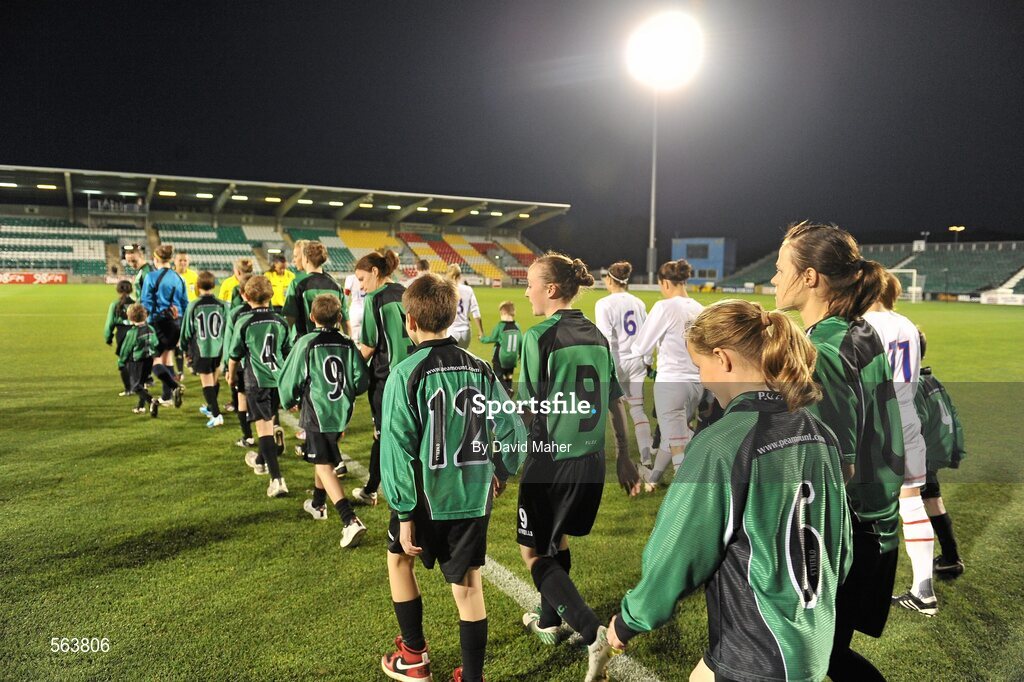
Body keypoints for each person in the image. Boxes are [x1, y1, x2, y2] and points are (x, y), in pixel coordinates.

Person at [603, 299, 851, 682]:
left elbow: (679, 553)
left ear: (723, 358)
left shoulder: (723, 442)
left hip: (757, 652)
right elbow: (842, 548)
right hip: (814, 640)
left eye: (700, 366)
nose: (702, 379)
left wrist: (629, 620)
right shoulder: (821, 433)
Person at [771, 221, 904, 682]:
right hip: (876, 520)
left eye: (781, 268)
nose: (773, 279)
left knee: (814, 655)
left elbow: (836, 467)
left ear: (810, 278)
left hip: (851, 532)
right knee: (824, 654)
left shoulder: (821, 349)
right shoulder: (857, 330)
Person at [379, 273, 528, 682]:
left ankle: (414, 656)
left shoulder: (405, 372)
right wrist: (500, 469)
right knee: (468, 585)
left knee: (398, 562)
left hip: (425, 498)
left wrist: (404, 510)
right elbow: (513, 429)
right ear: (454, 314)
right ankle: (473, 677)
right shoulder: (480, 368)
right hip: (472, 496)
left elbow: (397, 448)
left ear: (410, 322)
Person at [515, 252, 635, 682]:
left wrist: (505, 457)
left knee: (531, 552)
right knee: (556, 539)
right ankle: (550, 621)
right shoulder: (597, 336)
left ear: (551, 289)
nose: (525, 290)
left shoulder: (540, 337)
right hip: (590, 460)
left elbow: (528, 411)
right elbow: (615, 401)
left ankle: (591, 632)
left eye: (530, 283)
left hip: (552, 461)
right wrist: (623, 454)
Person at [864, 272, 936, 615]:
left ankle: (854, 588)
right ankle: (924, 591)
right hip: (907, 416)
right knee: (912, 505)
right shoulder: (908, 324)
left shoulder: (862, 324)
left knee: (859, 508)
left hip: (877, 421)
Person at [278, 294, 370, 548]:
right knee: (323, 457)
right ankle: (319, 504)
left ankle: (349, 520)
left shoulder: (307, 341)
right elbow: (361, 379)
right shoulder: (348, 343)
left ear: (311, 317)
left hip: (317, 410)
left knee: (322, 463)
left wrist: (288, 400)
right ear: (340, 318)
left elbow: (291, 376)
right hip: (341, 411)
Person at [627, 258, 704, 484]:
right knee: (672, 436)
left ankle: (684, 493)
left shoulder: (665, 307)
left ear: (665, 283)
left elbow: (642, 345)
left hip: (671, 382)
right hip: (697, 384)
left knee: (677, 440)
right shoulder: (701, 309)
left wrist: (644, 359)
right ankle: (653, 480)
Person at [351, 249, 414, 507]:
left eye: (362, 279)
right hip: (414, 373)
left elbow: (367, 348)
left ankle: (374, 490)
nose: (362, 286)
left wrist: (350, 372)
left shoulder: (375, 299)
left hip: (387, 379)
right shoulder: (407, 293)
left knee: (383, 435)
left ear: (375, 272)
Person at [227, 275, 291, 497]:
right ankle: (261, 459)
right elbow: (287, 351)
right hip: (279, 379)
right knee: (270, 419)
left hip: (257, 379)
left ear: (245, 296)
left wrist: (231, 376)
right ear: (271, 294)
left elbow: (234, 354)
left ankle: (277, 479)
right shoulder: (280, 320)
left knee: (263, 428)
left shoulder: (244, 321)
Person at [915, 331, 967, 578]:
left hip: (918, 455)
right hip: (930, 451)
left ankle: (929, 577)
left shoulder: (911, 384)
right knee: (932, 501)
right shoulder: (930, 378)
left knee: (910, 506)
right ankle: (950, 557)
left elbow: (916, 422)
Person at [594, 261, 655, 470]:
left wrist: (603, 366)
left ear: (610, 280)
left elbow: (604, 337)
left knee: (605, 408)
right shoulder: (638, 302)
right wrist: (648, 361)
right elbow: (647, 334)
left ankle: (595, 454)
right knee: (637, 410)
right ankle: (646, 460)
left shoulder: (604, 303)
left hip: (616, 361)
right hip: (637, 360)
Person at [140, 244, 187, 411]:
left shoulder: (151, 277)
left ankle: (174, 386)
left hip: (157, 322)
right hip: (176, 322)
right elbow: (185, 303)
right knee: (167, 358)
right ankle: (167, 397)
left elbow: (146, 302)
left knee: (155, 360)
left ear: (156, 259)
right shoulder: (180, 278)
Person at [180, 271, 229, 428]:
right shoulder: (222, 305)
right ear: (214, 286)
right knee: (214, 379)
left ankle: (216, 415)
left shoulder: (193, 305)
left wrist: (183, 347)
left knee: (207, 382)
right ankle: (210, 408)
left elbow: (186, 330)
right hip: (219, 347)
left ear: (197, 286)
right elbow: (229, 328)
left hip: (201, 348)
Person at [222, 267, 257, 447]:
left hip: (243, 364)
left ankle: (248, 436)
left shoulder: (236, 313)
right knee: (269, 404)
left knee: (242, 398)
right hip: (266, 365)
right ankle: (274, 432)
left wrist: (227, 368)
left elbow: (229, 342)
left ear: (241, 292)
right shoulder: (272, 312)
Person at [283, 241, 345, 338]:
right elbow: (346, 322)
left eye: (296, 256)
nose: (293, 260)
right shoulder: (336, 285)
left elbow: (288, 320)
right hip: (332, 343)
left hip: (305, 344)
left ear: (305, 258)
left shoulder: (297, 283)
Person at [118, 303, 160, 416]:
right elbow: (155, 342)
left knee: (135, 386)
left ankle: (151, 400)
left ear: (130, 317)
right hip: (149, 360)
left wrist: (121, 361)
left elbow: (126, 349)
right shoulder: (150, 328)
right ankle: (141, 407)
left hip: (137, 361)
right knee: (142, 383)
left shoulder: (132, 333)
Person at [478, 300, 521, 394]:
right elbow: (520, 341)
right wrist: (520, 354)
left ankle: (505, 391)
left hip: (501, 357)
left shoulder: (500, 326)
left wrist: (482, 339)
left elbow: (492, 338)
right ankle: (509, 390)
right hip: (513, 358)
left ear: (504, 312)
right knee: (508, 376)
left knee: (498, 375)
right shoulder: (517, 326)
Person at [104, 280, 135, 396]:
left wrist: (108, 337)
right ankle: (137, 385)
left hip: (122, 333)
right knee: (134, 360)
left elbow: (110, 323)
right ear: (131, 289)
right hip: (135, 331)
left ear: (118, 290)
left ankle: (128, 389)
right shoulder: (135, 303)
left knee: (123, 361)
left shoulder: (115, 304)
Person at [446, 264, 484, 349]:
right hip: (465, 331)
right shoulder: (468, 290)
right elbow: (476, 312)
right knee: (462, 359)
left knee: (451, 360)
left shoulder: (446, 289)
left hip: (451, 330)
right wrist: (481, 331)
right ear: (460, 275)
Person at [343, 269, 366, 343]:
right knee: (366, 339)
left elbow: (346, 294)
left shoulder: (351, 278)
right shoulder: (368, 277)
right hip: (366, 309)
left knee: (354, 340)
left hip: (355, 310)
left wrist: (345, 306)